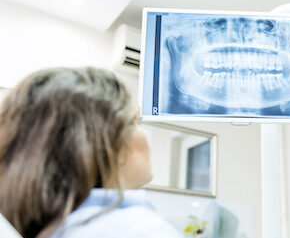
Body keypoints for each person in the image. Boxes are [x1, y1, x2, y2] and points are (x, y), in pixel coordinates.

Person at [0, 67, 183, 238]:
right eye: (135, 122)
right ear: (106, 143)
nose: (146, 135)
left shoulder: (47, 227)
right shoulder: (137, 230)